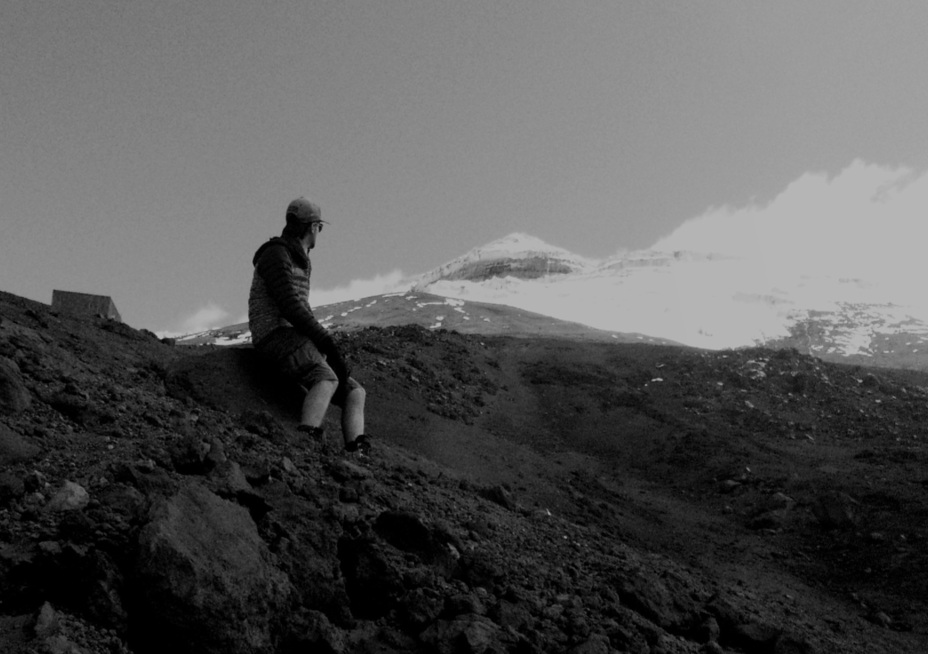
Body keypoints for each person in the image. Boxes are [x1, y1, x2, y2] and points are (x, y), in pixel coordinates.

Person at [248, 196, 370, 454]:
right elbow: (290, 306)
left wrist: (322, 345)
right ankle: (307, 436)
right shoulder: (275, 254)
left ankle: (357, 450)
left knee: (355, 391)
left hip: (294, 337)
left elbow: (300, 306)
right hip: (273, 335)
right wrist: (324, 341)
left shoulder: (299, 258)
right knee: (325, 377)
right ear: (313, 227)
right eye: (319, 228)